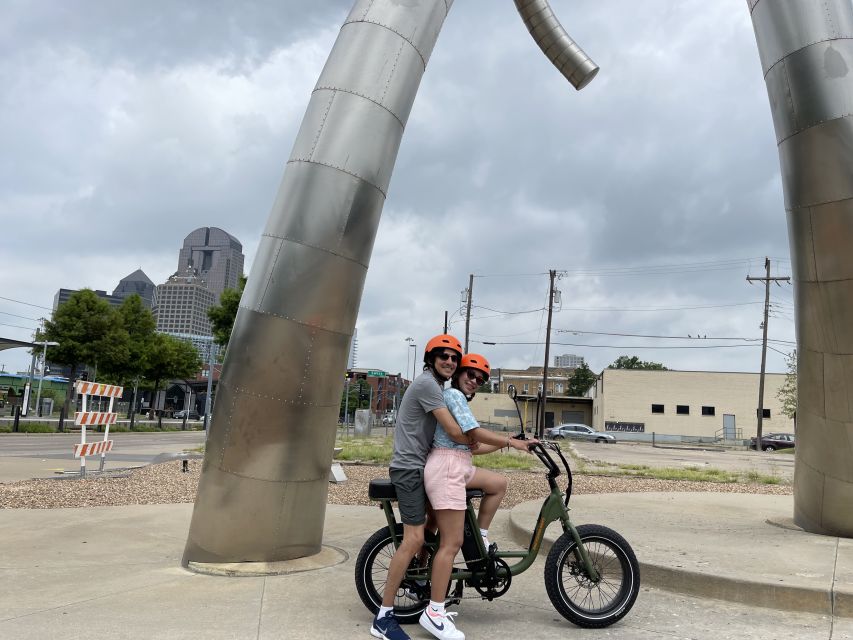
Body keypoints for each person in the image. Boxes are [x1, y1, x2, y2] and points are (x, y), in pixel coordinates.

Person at [420, 353, 535, 640]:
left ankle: (481, 533)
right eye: (471, 375)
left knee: (497, 483)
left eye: (481, 379)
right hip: (447, 467)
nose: (475, 381)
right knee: (452, 542)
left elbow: (472, 446)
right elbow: (474, 432)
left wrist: (504, 446)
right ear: (459, 373)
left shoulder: (456, 399)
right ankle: (434, 613)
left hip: (459, 463)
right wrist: (512, 442)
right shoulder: (455, 396)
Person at [371, 334, 471, 640]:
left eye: (454, 358)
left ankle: (422, 580)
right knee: (413, 539)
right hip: (409, 468)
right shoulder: (428, 384)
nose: (450, 362)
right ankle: (384, 618)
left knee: (435, 525)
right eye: (443, 356)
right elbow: (454, 431)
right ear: (431, 359)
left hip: (419, 466)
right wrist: (477, 439)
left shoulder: (438, 387)